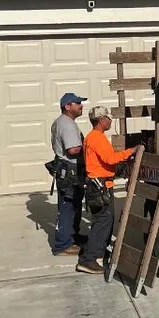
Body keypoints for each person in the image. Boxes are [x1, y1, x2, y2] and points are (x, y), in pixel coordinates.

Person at [77, 105, 136, 275]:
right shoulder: (97, 138)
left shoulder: (92, 137)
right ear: (101, 120)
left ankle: (97, 253)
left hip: (99, 184)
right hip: (100, 186)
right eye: (109, 119)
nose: (110, 121)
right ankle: (89, 260)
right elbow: (110, 159)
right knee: (102, 222)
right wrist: (130, 151)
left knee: (104, 221)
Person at [50, 92, 88, 256]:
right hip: (70, 171)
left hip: (65, 169)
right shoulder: (67, 124)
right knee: (68, 206)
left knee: (74, 204)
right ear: (67, 106)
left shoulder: (60, 122)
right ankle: (63, 245)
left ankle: (72, 236)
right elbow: (72, 150)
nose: (81, 106)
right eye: (78, 103)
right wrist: (90, 148)